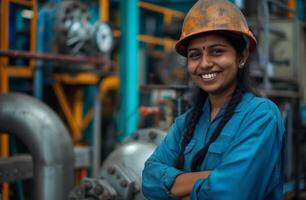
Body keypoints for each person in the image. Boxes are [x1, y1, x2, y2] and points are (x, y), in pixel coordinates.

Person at [142, 0, 285, 199]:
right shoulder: (185, 123)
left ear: (241, 56)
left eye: (217, 51)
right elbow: (149, 179)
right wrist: (211, 179)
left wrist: (175, 189)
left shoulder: (261, 115)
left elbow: (232, 193)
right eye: (195, 55)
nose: (205, 63)